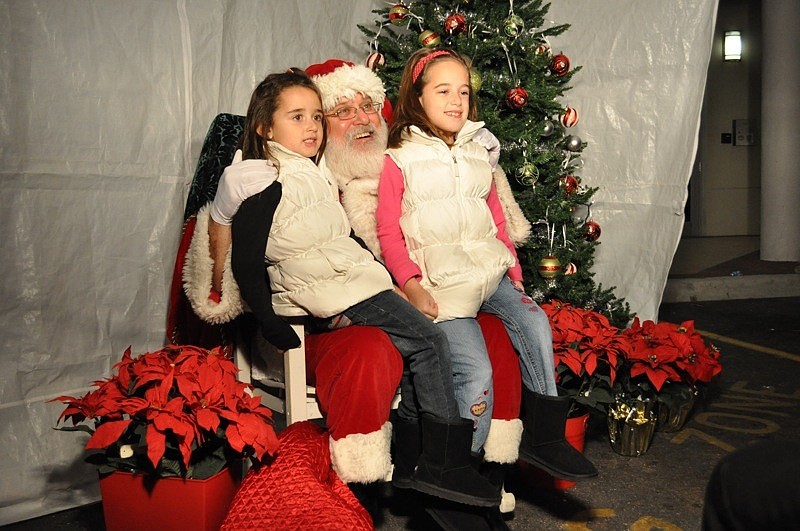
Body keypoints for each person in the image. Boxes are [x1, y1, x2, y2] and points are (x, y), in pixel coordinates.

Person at [182, 59, 527, 525]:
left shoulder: (402, 164)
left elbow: (479, 216)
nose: (362, 118)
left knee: (488, 334)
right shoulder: (289, 174)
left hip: (417, 290)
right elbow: (232, 252)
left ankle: (468, 470)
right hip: (331, 309)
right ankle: (385, 481)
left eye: (369, 106)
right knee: (383, 347)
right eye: (342, 110)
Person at [376, 47, 597, 481]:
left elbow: (496, 216)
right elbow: (387, 231)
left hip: (490, 272)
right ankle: (462, 464)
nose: (456, 101)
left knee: (535, 323)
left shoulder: (479, 150)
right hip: (443, 284)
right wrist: (413, 284)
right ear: (417, 97)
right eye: (443, 90)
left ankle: (545, 435)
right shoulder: (398, 158)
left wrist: (514, 275)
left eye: (463, 91)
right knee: (476, 371)